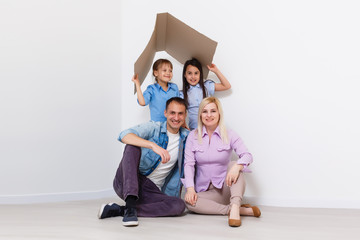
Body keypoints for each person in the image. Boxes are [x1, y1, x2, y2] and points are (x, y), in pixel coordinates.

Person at [98, 97, 189, 227]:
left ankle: (122, 210)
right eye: (172, 113)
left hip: (151, 191)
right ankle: (130, 204)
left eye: (180, 113)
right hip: (128, 182)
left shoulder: (187, 137)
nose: (176, 117)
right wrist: (153, 145)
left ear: (185, 115)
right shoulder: (154, 127)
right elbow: (124, 135)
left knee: (179, 205)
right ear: (165, 113)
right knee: (131, 146)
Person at [182, 97, 261, 227]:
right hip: (207, 192)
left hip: (227, 188)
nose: (209, 115)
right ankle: (236, 210)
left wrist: (237, 167)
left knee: (235, 164)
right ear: (200, 114)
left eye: (213, 111)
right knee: (189, 202)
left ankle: (235, 206)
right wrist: (190, 189)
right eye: (204, 111)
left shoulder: (229, 134)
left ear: (219, 113)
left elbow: (247, 155)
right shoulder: (193, 136)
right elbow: (189, 164)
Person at [180, 58, 231, 130]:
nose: (193, 77)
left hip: (211, 129)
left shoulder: (207, 86)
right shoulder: (182, 94)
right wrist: (184, 124)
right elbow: (180, 112)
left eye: (196, 73)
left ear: (200, 74)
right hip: (195, 130)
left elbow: (227, 86)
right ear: (185, 75)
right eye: (189, 73)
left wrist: (216, 71)